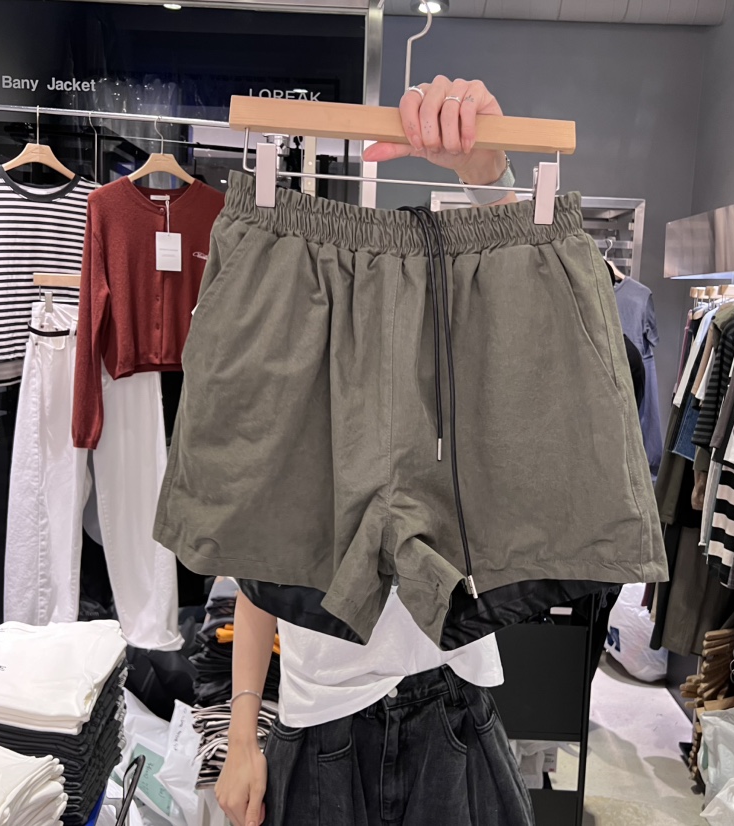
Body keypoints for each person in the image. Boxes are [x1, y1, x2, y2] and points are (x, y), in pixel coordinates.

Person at [216, 76, 537, 826]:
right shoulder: (298, 361)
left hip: (453, 702)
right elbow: (262, 561)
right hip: (319, 719)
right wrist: (241, 728)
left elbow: (522, 304)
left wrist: (489, 174)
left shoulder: (459, 361)